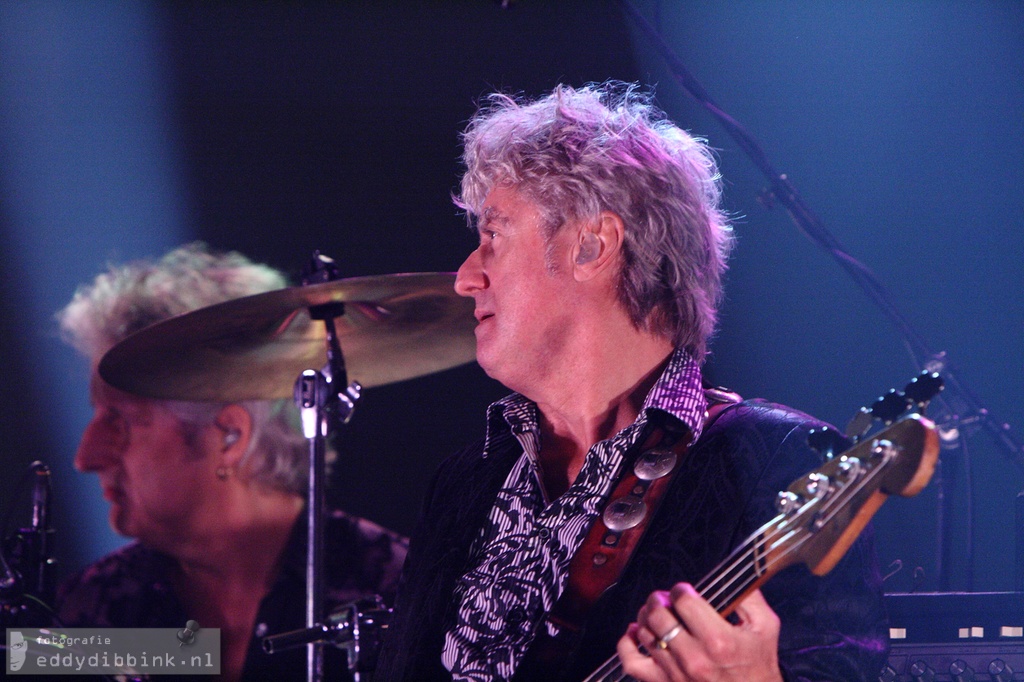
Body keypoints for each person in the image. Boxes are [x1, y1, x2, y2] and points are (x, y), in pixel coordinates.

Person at [374, 83, 887, 681]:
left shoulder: (771, 463)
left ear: (592, 246)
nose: (465, 277)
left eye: (493, 236)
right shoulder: (466, 482)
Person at [55, 243, 408, 681]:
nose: (84, 457)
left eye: (120, 421)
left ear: (230, 436)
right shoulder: (89, 609)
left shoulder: (395, 589)